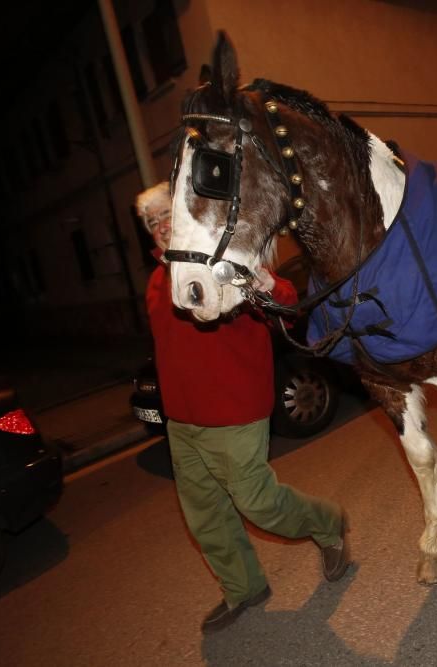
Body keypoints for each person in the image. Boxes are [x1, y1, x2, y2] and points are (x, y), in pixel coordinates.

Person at [135, 182, 350, 635]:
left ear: (189, 214)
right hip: (183, 421)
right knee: (205, 516)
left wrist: (268, 285)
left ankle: (328, 523)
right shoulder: (158, 279)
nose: (161, 226)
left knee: (257, 502)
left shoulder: (223, 256)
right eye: (152, 222)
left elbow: (285, 305)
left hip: (234, 411)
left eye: (167, 215)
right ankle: (243, 587)